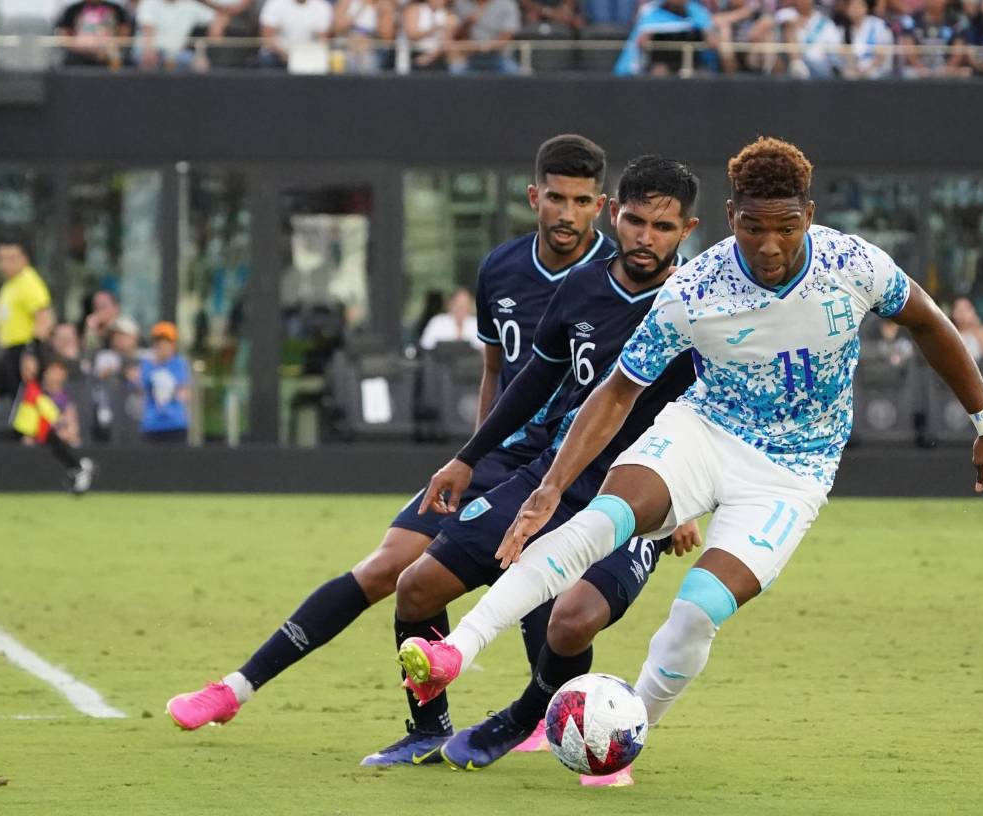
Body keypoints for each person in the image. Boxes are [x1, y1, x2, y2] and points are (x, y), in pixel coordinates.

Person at [398, 138, 983, 774]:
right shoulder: (695, 288)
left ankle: (624, 732)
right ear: (728, 219)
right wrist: (551, 484)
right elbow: (618, 390)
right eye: (752, 228)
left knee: (697, 611)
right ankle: (459, 649)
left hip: (792, 472)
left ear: (810, 215)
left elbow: (927, 320)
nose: (769, 246)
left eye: (785, 227)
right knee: (601, 518)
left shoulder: (852, 265)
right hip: (704, 432)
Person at [163, 135, 615, 767]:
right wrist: (475, 454)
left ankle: (540, 716)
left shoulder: (621, 278)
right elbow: (495, 370)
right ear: (534, 196)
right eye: (557, 198)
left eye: (582, 201)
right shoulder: (501, 269)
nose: (567, 214)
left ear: (602, 206)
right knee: (387, 569)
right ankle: (238, 688)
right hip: (500, 458)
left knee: (541, 588)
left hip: (574, 470)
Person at [392, 155, 700, 787]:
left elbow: (719, 410)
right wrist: (468, 456)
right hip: (552, 474)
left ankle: (530, 716)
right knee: (416, 588)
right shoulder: (584, 287)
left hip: (643, 493)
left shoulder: (699, 304)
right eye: (636, 220)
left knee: (572, 618)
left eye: (663, 228)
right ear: (615, 215)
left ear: (687, 230)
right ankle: (427, 731)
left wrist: (689, 504)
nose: (646, 237)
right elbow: (533, 380)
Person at [0, 240, 97, 493]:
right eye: (0, 258)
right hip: (9, 355)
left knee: (32, 422)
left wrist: (31, 353)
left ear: (24, 259)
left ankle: (76, 465)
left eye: (11, 258)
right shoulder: (9, 286)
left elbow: (43, 319)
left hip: (24, 354)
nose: (4, 264)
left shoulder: (29, 283)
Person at [133, 0, 227, 71]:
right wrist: (149, 50)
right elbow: (148, 30)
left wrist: (215, 31)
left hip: (176, 53)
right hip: (148, 50)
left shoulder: (190, 4)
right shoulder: (149, 2)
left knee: (200, 65)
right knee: (147, 62)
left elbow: (219, 16)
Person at [139, 321, 192, 445]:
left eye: (166, 342)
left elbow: (183, 391)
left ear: (173, 345)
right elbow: (141, 387)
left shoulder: (179, 364)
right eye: (158, 342)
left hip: (175, 424)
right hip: (152, 425)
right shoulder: (147, 364)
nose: (162, 346)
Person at [258, 0, 335, 69]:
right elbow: (267, 38)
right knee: (267, 60)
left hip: (308, 56)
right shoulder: (274, 3)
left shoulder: (322, 6)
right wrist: (286, 55)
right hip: (278, 55)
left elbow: (322, 40)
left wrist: (302, 57)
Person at [55, 0, 132, 69]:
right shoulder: (72, 9)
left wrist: (110, 46)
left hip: (108, 56)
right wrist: (79, 46)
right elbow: (63, 33)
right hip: (79, 57)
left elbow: (125, 33)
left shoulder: (116, 8)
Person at [419, 287, 485, 351]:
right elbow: (425, 347)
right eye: (458, 304)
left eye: (465, 304)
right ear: (451, 304)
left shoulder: (478, 324)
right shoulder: (437, 322)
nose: (461, 308)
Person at [404, 0, 458, 70]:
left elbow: (447, 40)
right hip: (414, 54)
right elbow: (411, 35)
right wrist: (433, 29)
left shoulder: (448, 14)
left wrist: (430, 57)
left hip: (437, 56)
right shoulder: (415, 9)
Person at [951, 296, 983, 363]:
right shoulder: (951, 335)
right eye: (958, 309)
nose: (961, 313)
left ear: (973, 311)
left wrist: (975, 327)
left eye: (965, 309)